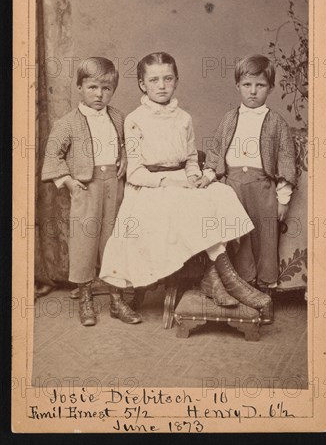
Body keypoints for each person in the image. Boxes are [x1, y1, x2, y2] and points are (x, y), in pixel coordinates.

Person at [100, 52, 272, 324]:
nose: (161, 85)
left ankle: (215, 277)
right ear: (143, 84)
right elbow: (134, 172)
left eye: (168, 78)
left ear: (176, 81)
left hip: (181, 180)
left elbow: (191, 158)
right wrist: (168, 181)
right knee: (187, 204)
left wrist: (194, 176)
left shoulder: (183, 118)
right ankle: (226, 278)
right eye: (154, 80)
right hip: (150, 187)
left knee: (221, 193)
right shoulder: (135, 120)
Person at [200, 54, 297, 301]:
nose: (253, 92)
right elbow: (216, 150)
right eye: (247, 85)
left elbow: (286, 158)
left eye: (260, 85)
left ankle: (265, 290)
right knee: (238, 237)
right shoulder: (230, 118)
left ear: (271, 88)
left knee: (265, 236)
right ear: (238, 87)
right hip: (231, 186)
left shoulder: (277, 123)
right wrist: (210, 174)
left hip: (262, 188)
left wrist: (283, 197)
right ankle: (241, 287)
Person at [41, 57, 129, 327]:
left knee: (114, 239)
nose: (99, 94)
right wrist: (68, 181)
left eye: (106, 89)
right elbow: (52, 155)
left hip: (114, 184)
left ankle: (117, 298)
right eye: (92, 87)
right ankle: (86, 298)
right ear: (80, 87)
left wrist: (124, 157)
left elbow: (124, 144)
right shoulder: (67, 122)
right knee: (84, 241)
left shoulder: (118, 116)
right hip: (86, 187)